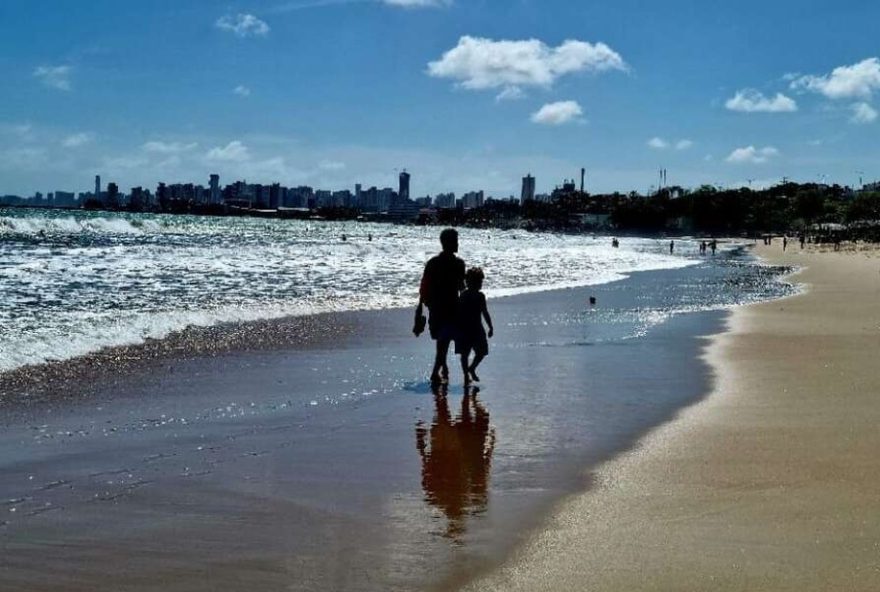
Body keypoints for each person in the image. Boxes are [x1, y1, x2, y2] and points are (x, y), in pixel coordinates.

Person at [420, 228, 466, 384]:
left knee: (442, 340)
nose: (457, 244)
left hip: (436, 307)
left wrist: (424, 304)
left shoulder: (433, 263)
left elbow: (424, 286)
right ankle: (435, 372)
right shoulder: (459, 264)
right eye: (455, 241)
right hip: (451, 307)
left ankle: (442, 366)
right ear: (448, 243)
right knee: (444, 341)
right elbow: (461, 287)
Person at [456, 267, 494, 385]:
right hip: (464, 329)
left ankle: (471, 368)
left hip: (477, 328)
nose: (480, 284)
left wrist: (490, 326)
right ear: (469, 282)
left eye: (481, 282)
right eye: (478, 282)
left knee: (482, 352)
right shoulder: (464, 295)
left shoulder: (480, 296)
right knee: (464, 354)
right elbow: (458, 312)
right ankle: (466, 375)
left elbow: (485, 312)